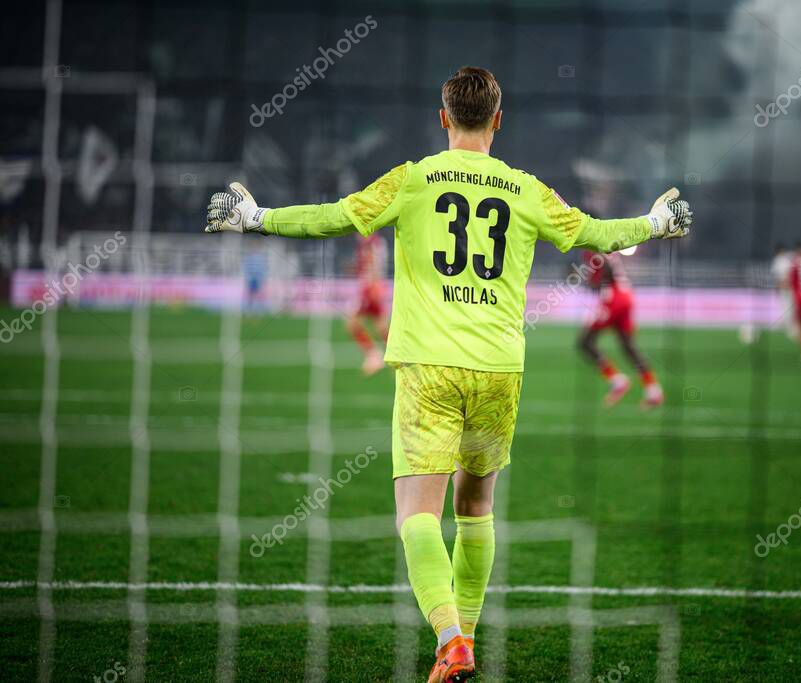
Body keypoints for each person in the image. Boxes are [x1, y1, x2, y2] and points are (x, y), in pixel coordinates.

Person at [203, 66, 693, 682]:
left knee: (415, 515)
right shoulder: (524, 189)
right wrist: (655, 225)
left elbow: (334, 217)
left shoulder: (411, 179)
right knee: (477, 508)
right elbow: (593, 234)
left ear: (443, 118)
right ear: (498, 119)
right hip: (498, 369)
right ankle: (459, 642)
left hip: (429, 367)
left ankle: (451, 639)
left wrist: (256, 217)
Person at [577, 249, 664, 407]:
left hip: (613, 299)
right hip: (626, 295)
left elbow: (606, 267)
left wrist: (596, 284)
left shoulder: (588, 243)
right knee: (628, 346)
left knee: (585, 342)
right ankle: (653, 390)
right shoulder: (602, 238)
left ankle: (618, 380)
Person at [347, 233, 390, 375]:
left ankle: (375, 356)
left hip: (370, 287)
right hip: (372, 286)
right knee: (381, 327)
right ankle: (393, 357)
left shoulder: (370, 241)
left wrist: (374, 286)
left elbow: (374, 264)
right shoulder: (373, 241)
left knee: (353, 324)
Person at [770, 243, 797, 340]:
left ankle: (791, 329)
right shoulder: (785, 259)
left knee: (788, 308)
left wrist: (781, 285)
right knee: (789, 308)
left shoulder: (780, 260)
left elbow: (782, 275)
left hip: (786, 287)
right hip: (788, 287)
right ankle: (791, 329)